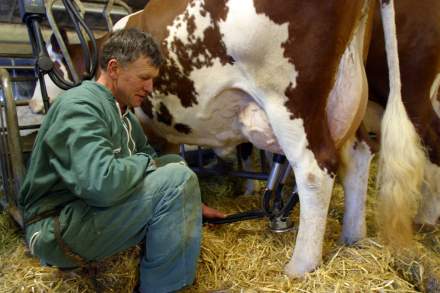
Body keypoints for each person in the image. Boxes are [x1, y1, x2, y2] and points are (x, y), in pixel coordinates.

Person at [19, 28, 225, 292]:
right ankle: (165, 288)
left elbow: (151, 161)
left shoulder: (124, 114)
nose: (150, 87)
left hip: (85, 214)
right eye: (144, 77)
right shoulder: (80, 105)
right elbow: (101, 185)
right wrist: (153, 170)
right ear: (114, 68)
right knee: (176, 179)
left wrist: (189, 203)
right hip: (55, 227)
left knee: (174, 163)